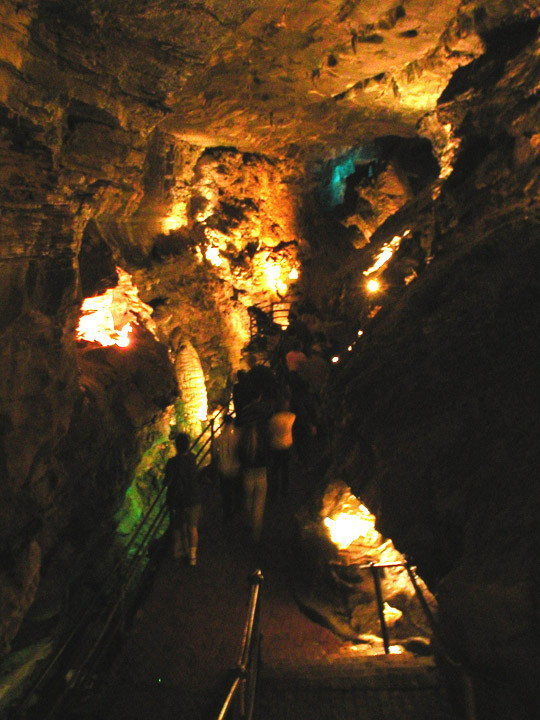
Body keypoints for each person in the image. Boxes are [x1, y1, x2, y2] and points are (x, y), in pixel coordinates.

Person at [237, 393, 273, 543]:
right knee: (259, 505)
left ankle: (248, 524)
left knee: (248, 501)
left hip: (248, 473)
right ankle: (256, 535)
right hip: (261, 473)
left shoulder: (244, 440)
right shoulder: (263, 439)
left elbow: (240, 455)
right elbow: (269, 454)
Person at [165, 433, 201, 566]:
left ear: (176, 446)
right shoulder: (192, 458)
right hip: (193, 498)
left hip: (179, 500)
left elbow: (167, 481)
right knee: (193, 527)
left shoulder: (172, 463)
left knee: (178, 527)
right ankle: (192, 557)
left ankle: (179, 554)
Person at [213, 414, 242, 525]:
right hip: (235, 468)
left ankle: (227, 513)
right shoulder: (236, 438)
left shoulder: (218, 439)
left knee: (225, 492)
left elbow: (214, 454)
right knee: (235, 489)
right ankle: (236, 510)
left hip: (223, 469)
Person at [268, 397, 296, 499]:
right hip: (286, 445)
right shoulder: (291, 417)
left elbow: (270, 431)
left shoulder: (272, 419)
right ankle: (285, 490)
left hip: (275, 445)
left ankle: (274, 491)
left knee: (275, 469)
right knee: (285, 469)